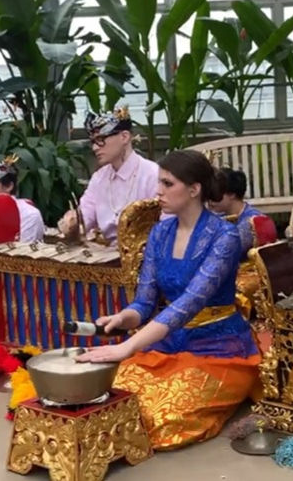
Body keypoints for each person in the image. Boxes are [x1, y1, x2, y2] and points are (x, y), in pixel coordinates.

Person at [76, 150, 259, 449]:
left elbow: (188, 305)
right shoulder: (160, 233)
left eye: (167, 184)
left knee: (162, 420)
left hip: (217, 345)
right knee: (113, 403)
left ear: (194, 189)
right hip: (168, 341)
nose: (158, 191)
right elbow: (145, 303)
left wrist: (127, 346)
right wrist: (123, 318)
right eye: (159, 182)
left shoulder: (224, 236)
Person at [58, 107, 159, 244]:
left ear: (124, 137)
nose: (95, 147)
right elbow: (85, 216)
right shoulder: (99, 178)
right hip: (107, 252)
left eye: (101, 139)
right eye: (93, 141)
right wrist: (73, 221)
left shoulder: (152, 175)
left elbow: (166, 226)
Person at [207, 167, 270, 258]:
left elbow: (224, 251)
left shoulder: (251, 221)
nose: (209, 201)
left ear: (232, 194)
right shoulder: (219, 215)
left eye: (214, 195)